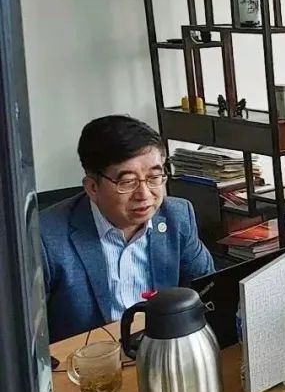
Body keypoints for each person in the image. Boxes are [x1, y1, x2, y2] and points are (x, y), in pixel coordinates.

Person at [40, 116, 215, 341]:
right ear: (92, 188)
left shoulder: (177, 217)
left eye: (154, 177)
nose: (145, 194)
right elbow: (26, 337)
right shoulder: (46, 237)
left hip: (164, 347)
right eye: (128, 182)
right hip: (90, 357)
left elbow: (209, 292)